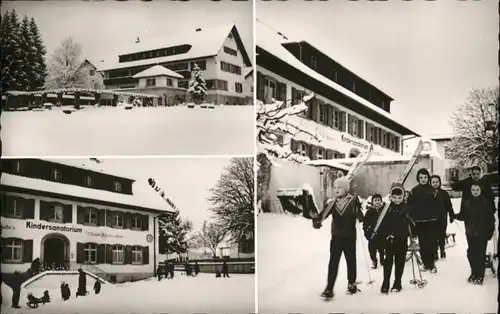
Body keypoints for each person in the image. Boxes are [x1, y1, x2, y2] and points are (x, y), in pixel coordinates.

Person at [312, 176, 364, 299]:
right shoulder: (332, 203)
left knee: (350, 260)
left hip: (350, 237)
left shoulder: (352, 201)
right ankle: (329, 287)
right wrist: (316, 221)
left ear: (346, 189)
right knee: (333, 262)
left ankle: (352, 283)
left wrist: (358, 207)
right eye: (334, 187)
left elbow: (361, 218)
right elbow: (322, 216)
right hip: (336, 237)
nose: (336, 189)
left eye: (339, 187)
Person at [373, 183, 413, 294]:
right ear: (391, 197)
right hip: (389, 240)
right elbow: (381, 223)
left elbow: (413, 225)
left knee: (400, 262)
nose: (397, 200)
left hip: (402, 239)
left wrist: (410, 222)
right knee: (388, 262)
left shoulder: (407, 208)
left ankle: (397, 282)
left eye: (399, 198)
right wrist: (384, 235)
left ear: (403, 196)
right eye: (394, 198)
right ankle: (386, 282)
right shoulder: (386, 208)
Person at [455, 183, 495, 285]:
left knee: (480, 254)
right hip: (470, 233)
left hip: (482, 233)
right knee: (471, 253)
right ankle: (474, 272)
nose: (475, 192)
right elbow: (463, 215)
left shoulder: (485, 202)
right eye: (473, 190)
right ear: (470, 190)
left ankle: (480, 275)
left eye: (477, 189)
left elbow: (490, 219)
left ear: (481, 190)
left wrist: (490, 231)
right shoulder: (468, 202)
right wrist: (454, 216)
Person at [408, 168, 440, 273]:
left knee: (431, 243)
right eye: (421, 177)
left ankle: (432, 264)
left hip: (431, 221)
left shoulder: (433, 191)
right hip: (419, 222)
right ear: (418, 178)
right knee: (423, 244)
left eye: (425, 177)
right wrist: (412, 221)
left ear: (428, 178)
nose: (423, 179)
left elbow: (439, 207)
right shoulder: (414, 191)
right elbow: (410, 207)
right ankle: (426, 264)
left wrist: (438, 218)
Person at [430, 175, 456, 259]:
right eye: (433, 182)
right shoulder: (428, 193)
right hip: (432, 219)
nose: (435, 184)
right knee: (433, 236)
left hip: (442, 218)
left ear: (440, 182)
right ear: (430, 183)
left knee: (441, 235)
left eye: (437, 182)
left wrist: (451, 215)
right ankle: (434, 252)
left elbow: (449, 205)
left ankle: (442, 250)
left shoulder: (444, 194)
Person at [363, 194, 386, 269]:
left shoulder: (384, 211)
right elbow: (365, 224)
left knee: (382, 248)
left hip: (382, 233)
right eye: (375, 200)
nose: (377, 202)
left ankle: (382, 260)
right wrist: (366, 233)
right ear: (372, 202)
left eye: (379, 200)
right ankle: (374, 261)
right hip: (372, 234)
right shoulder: (369, 212)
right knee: (372, 249)